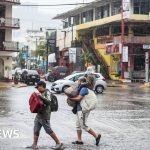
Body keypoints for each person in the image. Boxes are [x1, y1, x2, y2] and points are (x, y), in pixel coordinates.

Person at [27, 81, 63, 150]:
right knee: (36, 129)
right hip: (39, 114)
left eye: (38, 87)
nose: (37, 88)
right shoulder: (41, 93)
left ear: (42, 86)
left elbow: (48, 102)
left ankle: (58, 143)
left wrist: (40, 96)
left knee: (48, 130)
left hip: (45, 115)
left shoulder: (47, 92)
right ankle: (34, 145)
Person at [69, 77, 101, 146]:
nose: (77, 82)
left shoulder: (83, 88)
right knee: (78, 125)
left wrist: (71, 98)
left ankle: (96, 136)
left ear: (81, 82)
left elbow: (79, 98)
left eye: (78, 81)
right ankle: (79, 140)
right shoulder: (82, 88)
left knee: (83, 125)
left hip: (83, 110)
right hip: (79, 109)